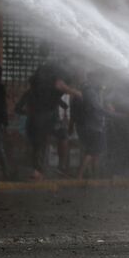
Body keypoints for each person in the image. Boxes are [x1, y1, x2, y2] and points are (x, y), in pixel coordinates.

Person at [26, 43, 81, 180]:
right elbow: (58, 85)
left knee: (47, 139)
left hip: (42, 112)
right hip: (45, 113)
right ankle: (52, 169)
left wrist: (59, 101)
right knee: (51, 138)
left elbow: (44, 89)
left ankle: (40, 171)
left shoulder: (43, 70)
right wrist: (76, 92)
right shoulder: (57, 70)